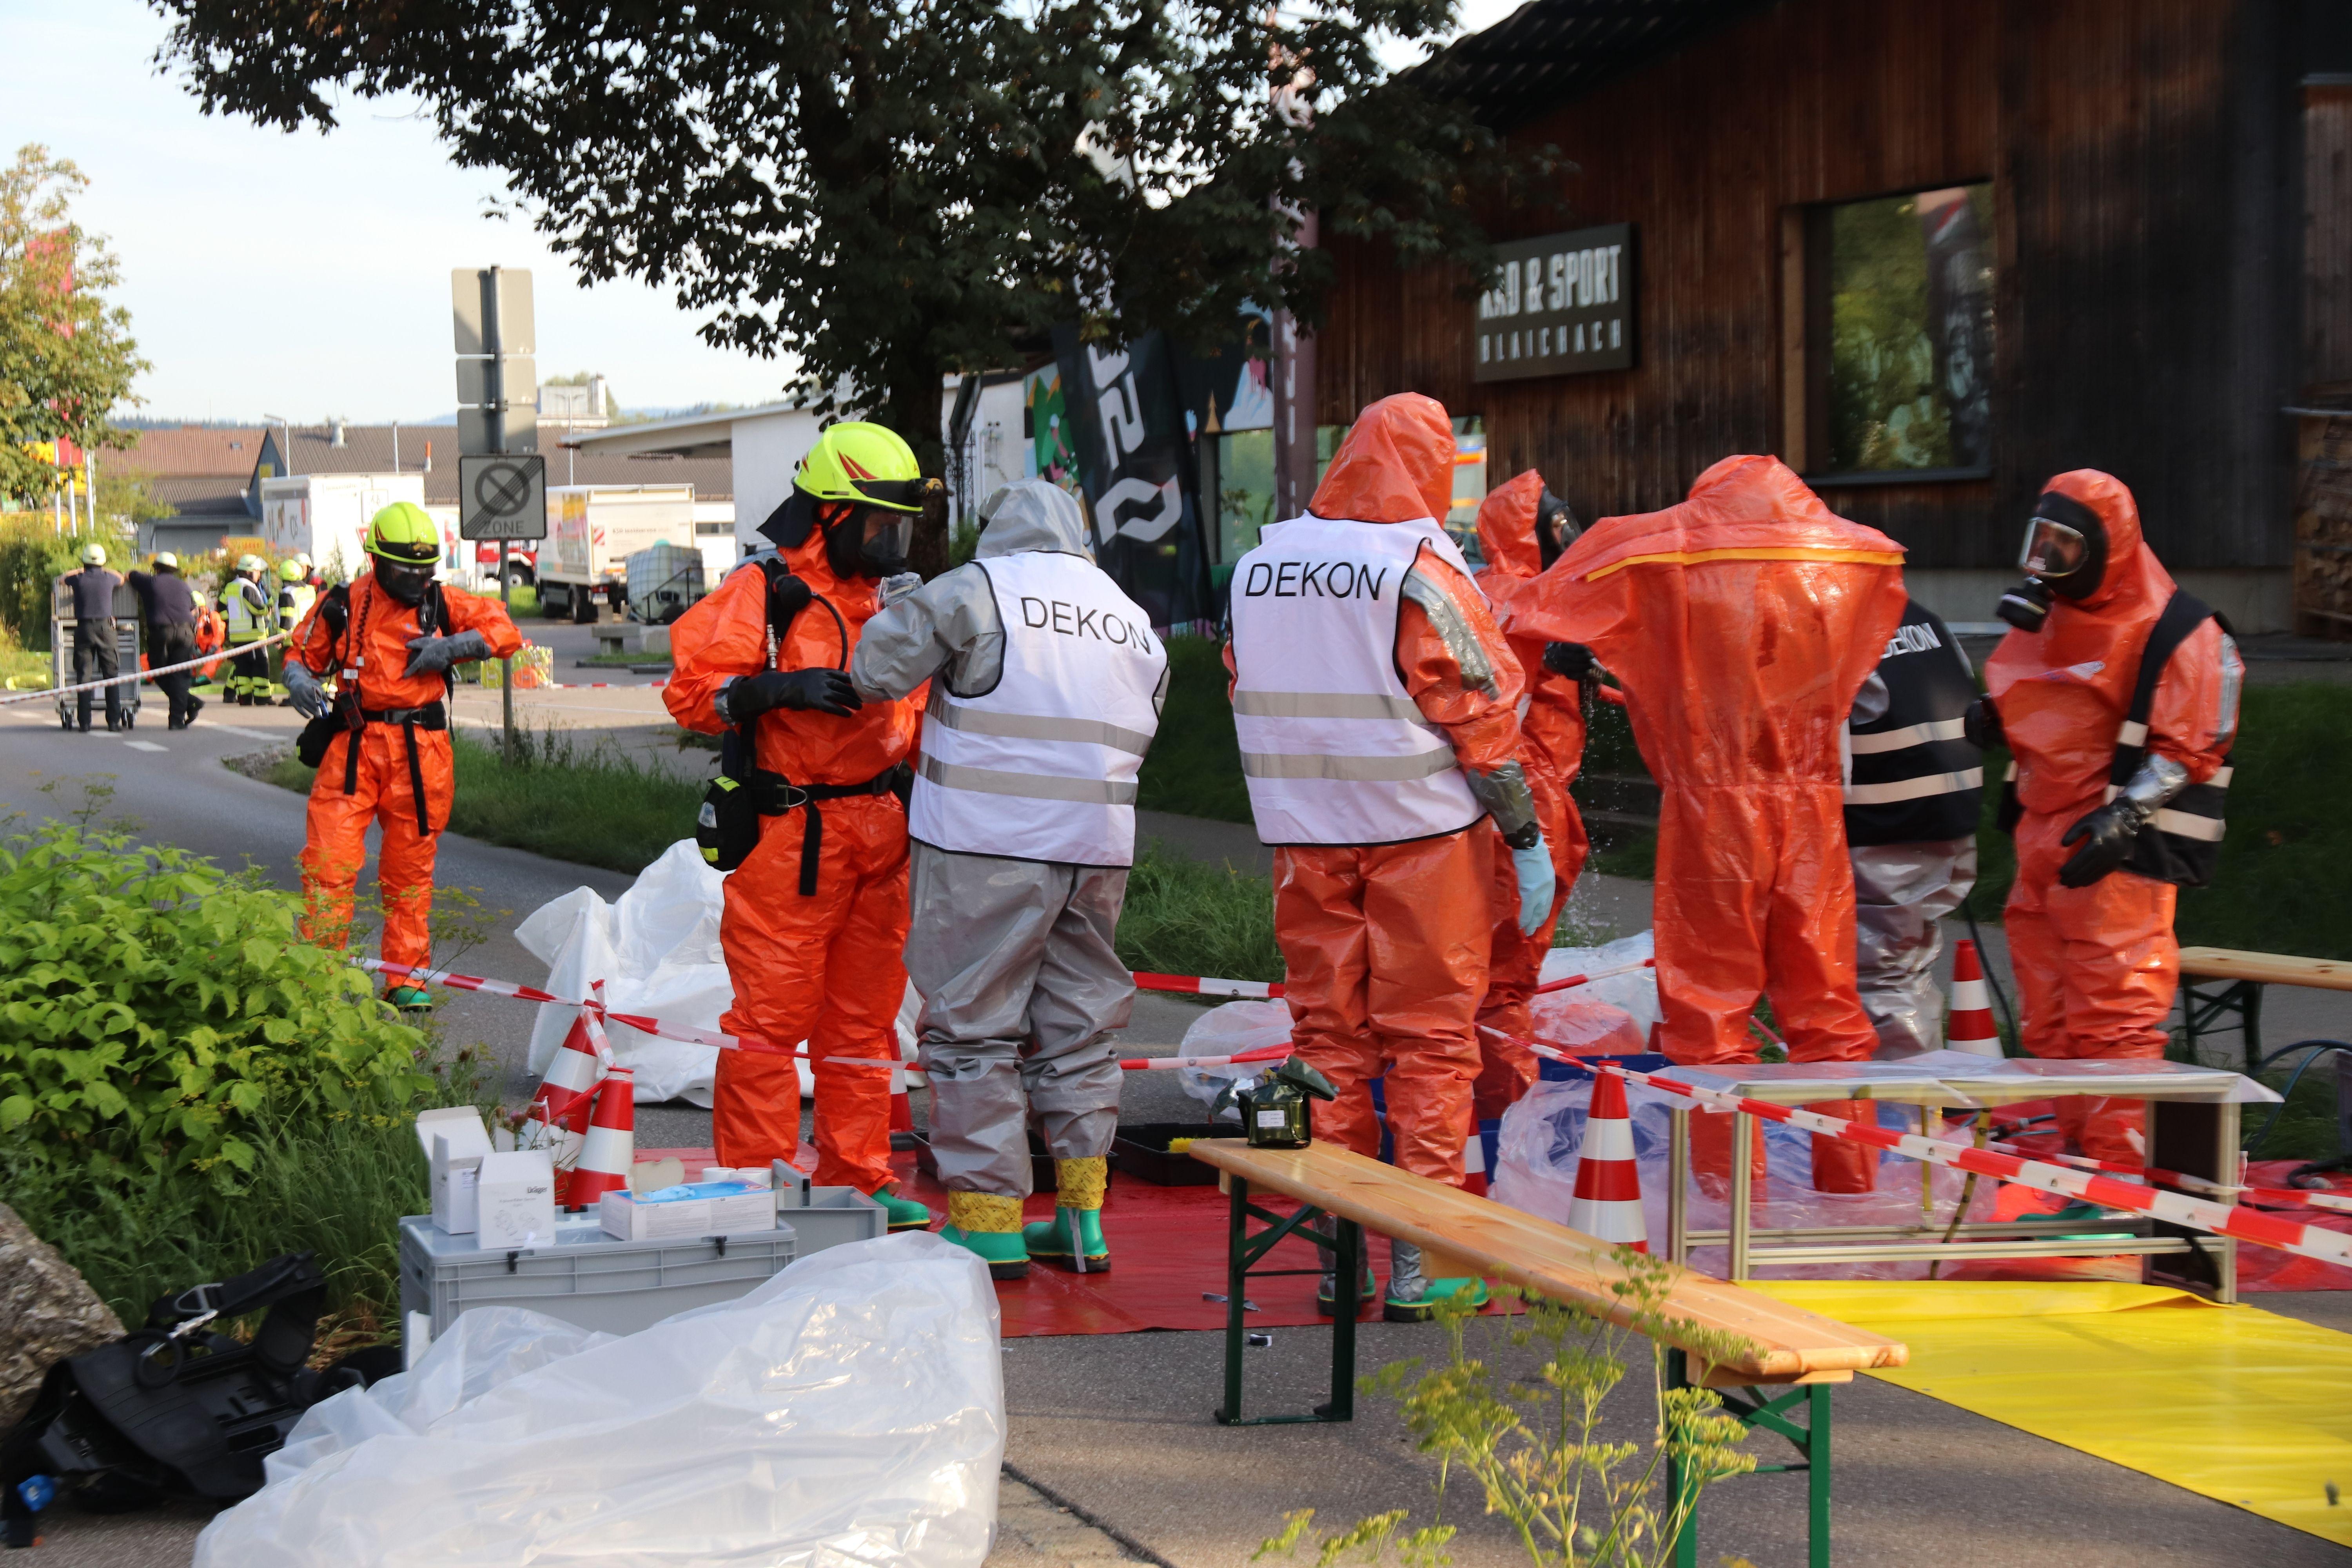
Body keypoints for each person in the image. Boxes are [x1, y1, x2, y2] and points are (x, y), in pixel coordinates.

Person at [1226, 392, 1554, 1320]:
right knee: (1430, 1046)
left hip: (1303, 833)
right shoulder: (1418, 567)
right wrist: (1524, 835)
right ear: (1430, 467)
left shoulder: (1262, 563)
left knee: (1326, 1042)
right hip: (1421, 833)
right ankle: (1427, 1262)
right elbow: (1479, 709)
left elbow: (1242, 682)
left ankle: (1337, 1255)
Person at [1515, 456, 1906, 1194]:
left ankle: (1729, 1200)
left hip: (1714, 816)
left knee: (1712, 1013)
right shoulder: (1838, 567)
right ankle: (1850, 1186)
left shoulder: (1683, 565)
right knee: (1827, 1006)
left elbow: (1562, 605)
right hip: (1812, 807)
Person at [849, 480, 1169, 1277]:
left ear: (999, 530)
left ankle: (990, 1223)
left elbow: (874, 671)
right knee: (1081, 1028)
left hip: (985, 846)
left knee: (972, 1027)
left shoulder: (977, 589)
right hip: (1096, 849)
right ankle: (1082, 1220)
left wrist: (898, 606)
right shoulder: (1128, 615)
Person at [663, 422, 937, 1231]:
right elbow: (691, 691)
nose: (892, 542)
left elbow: (923, 712)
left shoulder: (901, 599)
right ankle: (754, 1189)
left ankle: (860, 1175)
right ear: (829, 515)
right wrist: (774, 691)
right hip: (791, 834)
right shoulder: (767, 588)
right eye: (880, 525)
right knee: (770, 1023)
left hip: (882, 830)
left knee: (865, 1020)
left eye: (900, 526)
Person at [1975, 471, 2239, 1160]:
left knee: (2115, 1023)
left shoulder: (2178, 628)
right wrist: (1998, 719)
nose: (2051, 559)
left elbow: (2192, 745)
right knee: (2050, 1022)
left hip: (2112, 858)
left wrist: (2126, 816)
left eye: (2068, 544)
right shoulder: (2051, 616)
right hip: (2043, 839)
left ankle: (2115, 1197)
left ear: (2106, 547)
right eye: (2044, 540)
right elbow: (2051, 701)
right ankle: (2076, 1172)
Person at [280, 503, 522, 1007]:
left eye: (424, 570)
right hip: (353, 747)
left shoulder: (443, 602)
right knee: (328, 863)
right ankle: (320, 979)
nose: (415, 579)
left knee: (410, 871)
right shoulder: (342, 604)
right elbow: (303, 652)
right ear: (377, 561)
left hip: (420, 753)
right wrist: (299, 678)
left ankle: (405, 979)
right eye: (404, 570)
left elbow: (506, 632)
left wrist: (453, 647)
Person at [1469, 471, 1591, 1114]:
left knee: (1457, 981)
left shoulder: (1473, 594)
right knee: (1504, 988)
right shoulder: (1545, 603)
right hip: (1525, 800)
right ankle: (1503, 1132)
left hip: (1473, 796)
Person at [1843, 598, 1984, 1059]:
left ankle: (1899, 1115)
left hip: (1883, 827)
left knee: (1878, 977)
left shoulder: (1838, 621)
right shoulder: (1920, 615)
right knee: (1907, 967)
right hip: (1948, 818)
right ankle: (1920, 1102)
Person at [125, 552, 205, 730]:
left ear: (157, 568)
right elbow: (194, 610)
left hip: (163, 632)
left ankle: (190, 702)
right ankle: (178, 718)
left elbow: (130, 574)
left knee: (158, 670)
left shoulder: (150, 582)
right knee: (179, 675)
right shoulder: (184, 586)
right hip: (186, 632)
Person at [63, 544, 127, 733]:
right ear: (103, 561)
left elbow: (61, 579)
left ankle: (84, 723)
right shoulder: (110, 578)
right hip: (106, 628)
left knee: (84, 676)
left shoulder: (78, 579)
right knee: (111, 676)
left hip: (84, 629)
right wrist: (104, 569)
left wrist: (80, 570)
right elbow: (122, 579)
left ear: (84, 561)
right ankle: (114, 722)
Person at [219, 554, 276, 705]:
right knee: (261, 666)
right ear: (250, 571)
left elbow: (221, 607)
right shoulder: (248, 587)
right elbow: (257, 608)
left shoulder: (231, 586)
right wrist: (267, 611)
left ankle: (244, 698)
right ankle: (263, 698)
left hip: (237, 636)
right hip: (254, 636)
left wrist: (231, 621)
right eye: (257, 571)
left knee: (242, 668)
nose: (259, 575)